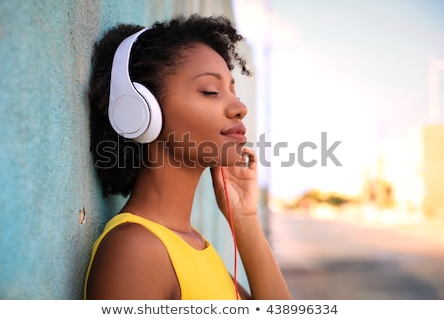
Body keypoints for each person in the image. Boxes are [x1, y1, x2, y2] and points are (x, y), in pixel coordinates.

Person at [84, 14, 291, 300]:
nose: (240, 107)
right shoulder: (137, 250)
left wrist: (245, 217)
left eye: (233, 91)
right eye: (210, 91)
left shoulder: (194, 245)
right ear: (139, 111)